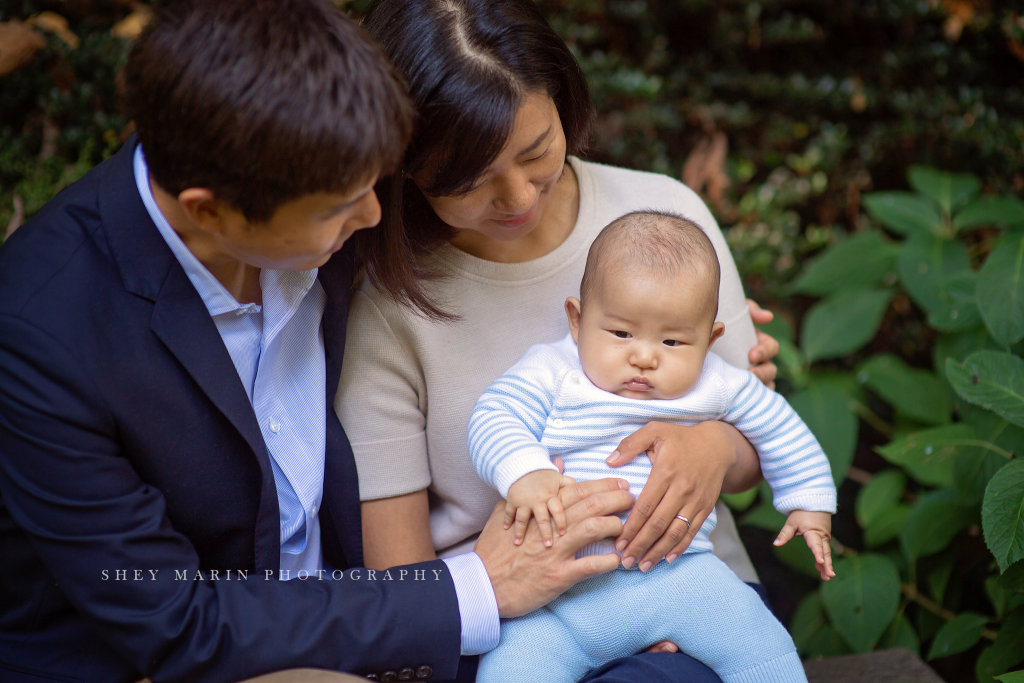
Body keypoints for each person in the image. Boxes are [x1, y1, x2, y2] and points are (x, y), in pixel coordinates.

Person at [0, 2, 641, 682]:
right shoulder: (43, 335)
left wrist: (676, 343)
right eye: (343, 207)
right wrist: (475, 586)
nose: (374, 216)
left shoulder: (324, 174)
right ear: (207, 211)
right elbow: (178, 621)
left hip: (364, 631)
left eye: (376, 184)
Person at [338, 1, 783, 679]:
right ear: (403, 166)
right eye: (466, 180)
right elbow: (400, 578)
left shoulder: (663, 216)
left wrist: (715, 446)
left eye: (536, 150)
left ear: (563, 101)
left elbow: (757, 449)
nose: (516, 195)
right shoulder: (394, 306)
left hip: (691, 593)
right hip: (504, 628)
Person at [469, 212, 836, 683]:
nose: (644, 356)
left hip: (681, 580)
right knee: (511, 669)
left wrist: (809, 504)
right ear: (577, 320)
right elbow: (493, 414)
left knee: (764, 649)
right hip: (555, 596)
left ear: (709, 341)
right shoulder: (554, 371)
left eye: (672, 340)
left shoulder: (718, 383)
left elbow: (781, 426)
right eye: (621, 333)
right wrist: (525, 472)